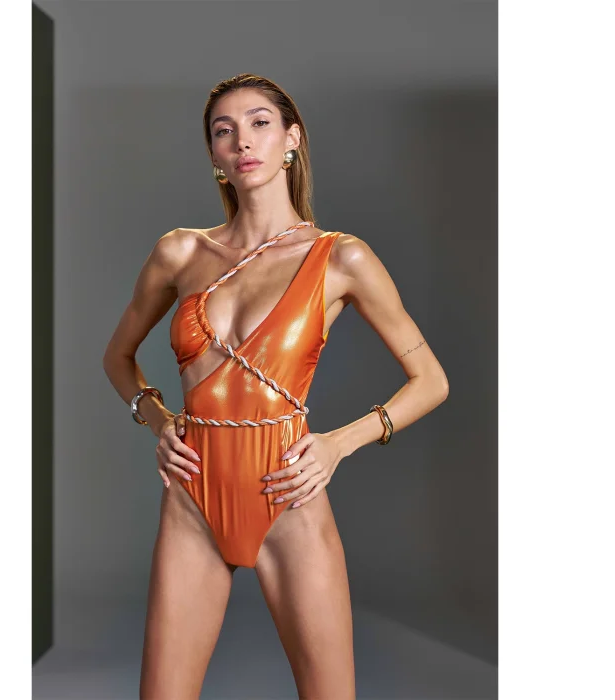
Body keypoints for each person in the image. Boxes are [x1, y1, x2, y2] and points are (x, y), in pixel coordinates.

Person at [102, 73, 449, 700]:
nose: (243, 141)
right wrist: (160, 421)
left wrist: (338, 444)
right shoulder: (180, 253)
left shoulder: (341, 258)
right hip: (192, 500)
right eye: (224, 130)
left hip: (287, 497)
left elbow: (431, 381)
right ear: (214, 153)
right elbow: (118, 358)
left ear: (292, 139)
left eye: (260, 123)